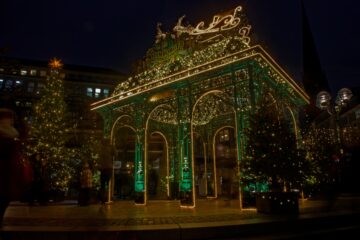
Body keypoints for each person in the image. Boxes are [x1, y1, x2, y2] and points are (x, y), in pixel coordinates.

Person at [0, 108, 19, 224]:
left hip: (7, 173)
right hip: (3, 172)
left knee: (4, 199)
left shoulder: (12, 133)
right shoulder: (5, 135)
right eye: (8, 118)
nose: (11, 121)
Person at [98, 138, 114, 203]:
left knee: (103, 184)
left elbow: (99, 159)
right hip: (108, 167)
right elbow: (116, 154)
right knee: (109, 183)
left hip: (102, 168)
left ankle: (103, 198)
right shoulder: (110, 148)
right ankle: (108, 197)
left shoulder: (101, 149)